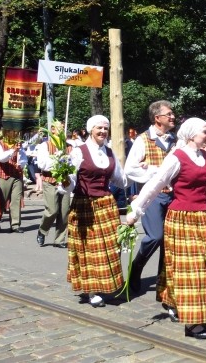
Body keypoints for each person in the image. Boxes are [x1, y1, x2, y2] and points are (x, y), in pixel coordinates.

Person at [127, 118, 206, 339]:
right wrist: (136, 211)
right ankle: (192, 323)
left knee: (202, 267)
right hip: (182, 217)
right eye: (204, 131)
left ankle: (179, 304)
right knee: (189, 269)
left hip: (203, 216)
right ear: (192, 135)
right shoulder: (177, 157)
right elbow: (155, 185)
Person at [66, 115, 127, 307]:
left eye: (105, 128)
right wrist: (64, 180)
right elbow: (70, 183)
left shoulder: (109, 152)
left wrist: (138, 171)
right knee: (90, 249)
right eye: (98, 128)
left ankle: (104, 284)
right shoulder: (79, 152)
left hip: (107, 204)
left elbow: (121, 180)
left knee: (109, 247)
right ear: (90, 130)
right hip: (85, 205)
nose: (102, 131)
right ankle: (92, 290)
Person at [124, 101, 177, 295]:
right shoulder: (143, 140)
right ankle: (136, 267)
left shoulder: (175, 140)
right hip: (152, 196)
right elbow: (130, 169)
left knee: (169, 241)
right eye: (168, 114)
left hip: (173, 196)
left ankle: (164, 283)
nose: (172, 117)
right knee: (155, 236)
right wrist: (155, 172)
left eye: (172, 114)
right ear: (158, 118)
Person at [35, 121, 72, 248]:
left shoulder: (69, 146)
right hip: (50, 180)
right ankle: (42, 230)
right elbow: (42, 164)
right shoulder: (45, 146)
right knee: (52, 210)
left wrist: (69, 162)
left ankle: (59, 240)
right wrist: (58, 159)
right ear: (53, 130)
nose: (62, 130)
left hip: (65, 182)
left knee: (64, 211)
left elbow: (75, 163)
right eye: (59, 128)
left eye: (63, 128)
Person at [0, 130, 27, 232]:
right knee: (2, 201)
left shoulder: (18, 144)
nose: (16, 135)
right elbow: (1, 158)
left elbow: (24, 157)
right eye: (13, 132)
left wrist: (22, 163)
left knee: (16, 200)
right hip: (4, 175)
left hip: (17, 175)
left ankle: (15, 225)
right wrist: (12, 150)